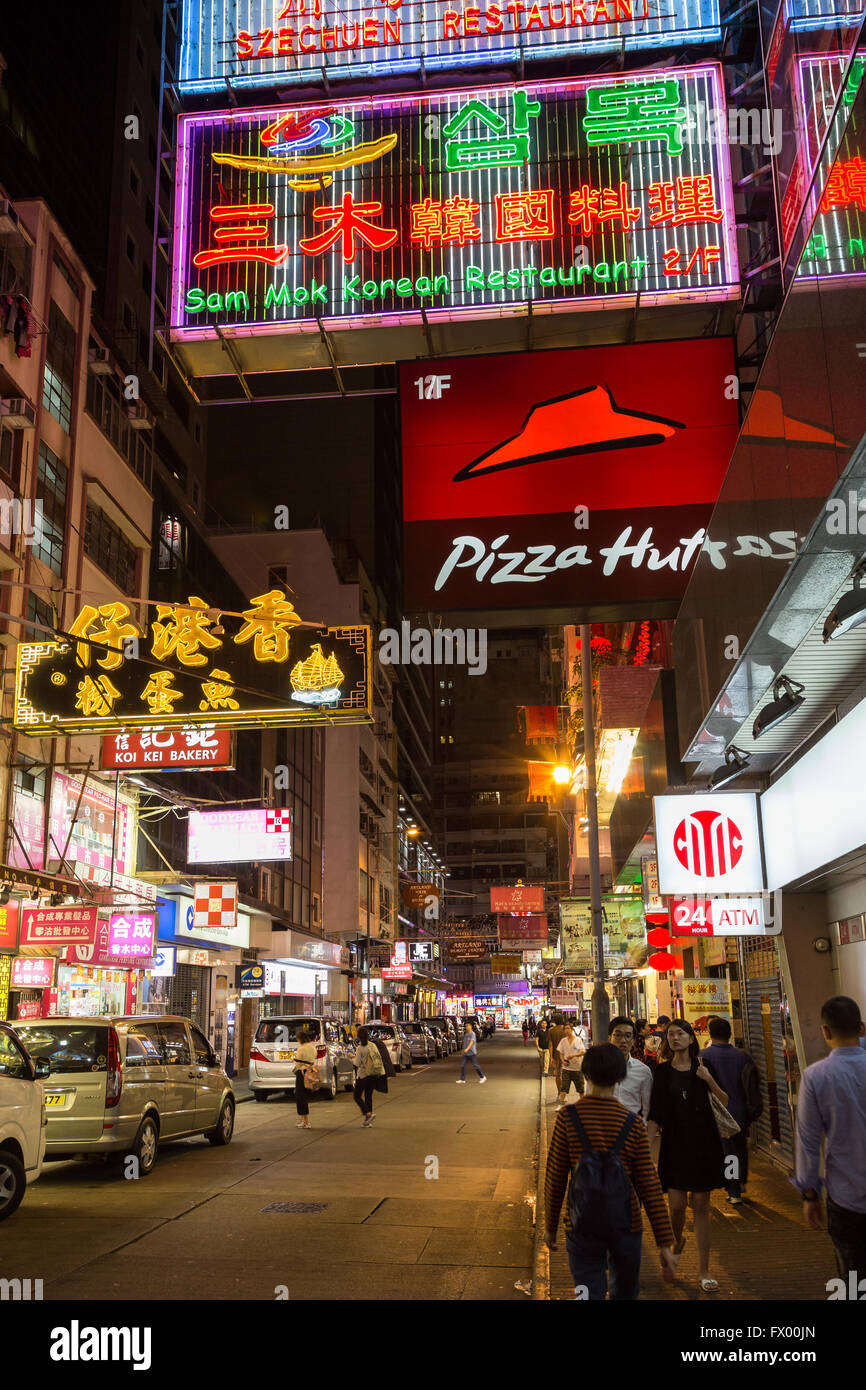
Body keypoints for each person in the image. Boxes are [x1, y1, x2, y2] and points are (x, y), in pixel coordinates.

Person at [544, 1043, 677, 1300]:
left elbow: (556, 1176)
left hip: (581, 1223)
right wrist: (664, 1243)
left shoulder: (568, 1117)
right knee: (625, 1292)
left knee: (586, 1291)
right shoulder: (632, 1123)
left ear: (586, 1074)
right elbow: (649, 1184)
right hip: (626, 1224)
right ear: (620, 1077)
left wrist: (551, 1226)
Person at [647, 1017, 729, 1292]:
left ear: (691, 1039)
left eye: (680, 1033)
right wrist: (646, 1151)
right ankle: (677, 1240)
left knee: (702, 1205)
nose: (675, 1038)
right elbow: (655, 1115)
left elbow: (725, 1102)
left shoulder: (705, 1067)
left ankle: (704, 1271)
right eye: (670, 1034)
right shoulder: (661, 1072)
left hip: (704, 1144)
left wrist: (709, 1081)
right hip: (674, 1144)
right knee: (677, 1206)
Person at [794, 995, 866, 1279]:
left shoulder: (815, 1076)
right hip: (845, 1195)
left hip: (845, 1196)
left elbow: (808, 1142)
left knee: (854, 1279)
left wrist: (810, 1194)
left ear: (825, 1031)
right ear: (862, 1028)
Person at [703, 1016, 758, 1205]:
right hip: (741, 1112)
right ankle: (741, 1180)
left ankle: (733, 1189)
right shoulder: (743, 1055)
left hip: (719, 1114)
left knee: (729, 1152)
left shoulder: (704, 1056)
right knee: (740, 1147)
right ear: (729, 1034)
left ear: (710, 1034)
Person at [609, 1016, 653, 1119]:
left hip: (632, 1131)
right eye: (618, 1035)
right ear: (609, 1037)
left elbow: (648, 1107)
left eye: (628, 1036)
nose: (623, 1040)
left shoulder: (643, 1071)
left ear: (633, 1040)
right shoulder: (598, 1069)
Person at [352, 1026, 385, 1128]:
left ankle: (368, 1114)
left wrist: (352, 1057)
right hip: (373, 1074)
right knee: (368, 1097)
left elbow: (357, 1063)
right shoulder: (372, 1045)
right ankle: (368, 1121)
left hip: (363, 1075)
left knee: (357, 1096)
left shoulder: (360, 1048)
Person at [556, 1021, 586, 1109]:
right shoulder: (563, 1041)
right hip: (566, 1068)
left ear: (572, 1029)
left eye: (568, 1028)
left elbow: (582, 1052)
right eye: (565, 1029)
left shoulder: (577, 1040)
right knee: (564, 1088)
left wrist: (574, 1055)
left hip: (577, 1068)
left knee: (581, 1089)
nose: (566, 1030)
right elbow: (561, 1053)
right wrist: (562, 1061)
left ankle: (583, 1105)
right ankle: (560, 1105)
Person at [293, 1027, 318, 1130]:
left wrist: (293, 1059)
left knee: (300, 1096)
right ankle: (303, 1120)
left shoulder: (301, 1049)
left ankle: (306, 1122)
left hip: (302, 1073)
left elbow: (298, 1064)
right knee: (304, 1096)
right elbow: (314, 1058)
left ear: (300, 1039)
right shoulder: (313, 1048)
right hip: (310, 1072)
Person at [548, 1013, 567, 1096]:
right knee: (566, 1074)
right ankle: (564, 1092)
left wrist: (551, 1057)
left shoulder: (551, 1030)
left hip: (556, 1054)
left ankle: (559, 1092)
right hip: (566, 1053)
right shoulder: (566, 1029)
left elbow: (551, 1044)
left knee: (558, 1074)